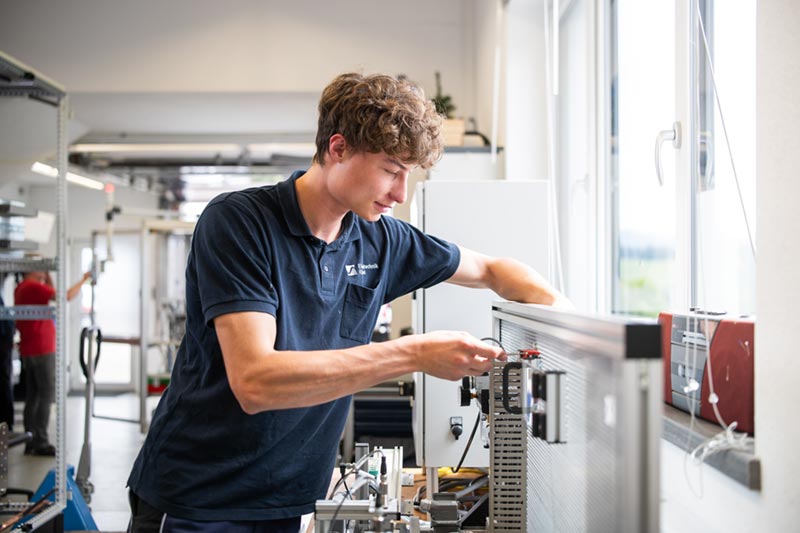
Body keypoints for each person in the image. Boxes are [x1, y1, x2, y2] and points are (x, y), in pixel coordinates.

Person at [127, 72, 570, 533]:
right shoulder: (240, 223)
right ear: (337, 148)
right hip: (198, 500)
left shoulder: (381, 240)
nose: (400, 195)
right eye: (391, 170)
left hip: (288, 500)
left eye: (408, 176)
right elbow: (255, 383)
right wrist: (414, 353)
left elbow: (494, 271)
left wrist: (577, 333)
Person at [15, 269, 91, 455]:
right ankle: (40, 441)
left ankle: (30, 439)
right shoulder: (33, 286)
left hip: (30, 347)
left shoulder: (22, 288)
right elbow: (65, 296)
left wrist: (46, 277)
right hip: (41, 348)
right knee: (46, 394)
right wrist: (84, 279)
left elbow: (52, 295)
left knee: (33, 396)